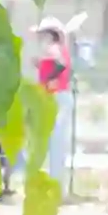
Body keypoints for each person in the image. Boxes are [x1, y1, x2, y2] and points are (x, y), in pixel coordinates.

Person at [35, 16, 78, 189]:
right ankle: (57, 184)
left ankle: (55, 185)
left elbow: (60, 66)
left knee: (54, 141)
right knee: (57, 142)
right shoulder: (60, 48)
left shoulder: (52, 47)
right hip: (61, 96)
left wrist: (48, 78)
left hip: (56, 96)